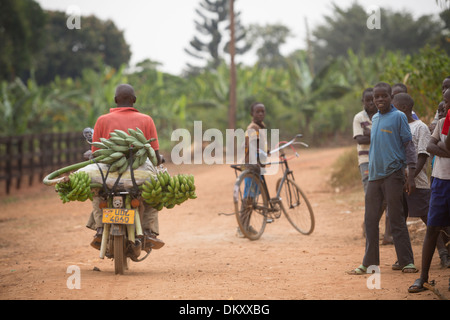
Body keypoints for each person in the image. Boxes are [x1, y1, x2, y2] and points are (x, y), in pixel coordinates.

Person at [348, 82, 418, 275]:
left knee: (396, 218)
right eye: (376, 97)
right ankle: (370, 264)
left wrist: (410, 175)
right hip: (374, 176)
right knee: (370, 220)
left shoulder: (398, 117)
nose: (379, 100)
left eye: (383, 96)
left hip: (393, 174)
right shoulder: (376, 118)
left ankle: (407, 262)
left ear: (391, 98)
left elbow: (408, 146)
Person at [86, 84, 165, 250]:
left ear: (115, 100)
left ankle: (100, 229)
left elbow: (96, 153)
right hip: (139, 175)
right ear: (134, 100)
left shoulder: (102, 120)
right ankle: (149, 232)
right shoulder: (146, 120)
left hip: (108, 175)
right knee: (153, 195)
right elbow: (155, 155)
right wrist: (158, 159)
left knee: (97, 194)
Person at [408, 88, 450, 292]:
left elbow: (440, 146)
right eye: (444, 103)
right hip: (441, 181)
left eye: (448, 103)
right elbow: (430, 147)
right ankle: (423, 277)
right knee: (432, 228)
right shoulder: (442, 123)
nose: (444, 108)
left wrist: (443, 150)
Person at [353, 88, 392, 244]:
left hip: (383, 159)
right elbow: (360, 140)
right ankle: (370, 228)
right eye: (367, 100)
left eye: (372, 99)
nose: (370, 103)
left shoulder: (382, 116)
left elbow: (387, 135)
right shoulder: (358, 117)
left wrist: (370, 133)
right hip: (366, 161)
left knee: (384, 197)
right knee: (371, 195)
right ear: (363, 101)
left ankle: (372, 226)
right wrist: (378, 133)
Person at [236, 102, 268, 237]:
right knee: (249, 197)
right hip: (251, 165)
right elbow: (250, 147)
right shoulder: (252, 128)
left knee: (252, 197)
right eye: (257, 112)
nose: (260, 114)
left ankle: (245, 226)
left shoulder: (260, 127)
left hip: (257, 166)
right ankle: (241, 228)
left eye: (262, 111)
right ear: (252, 114)